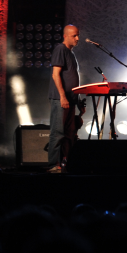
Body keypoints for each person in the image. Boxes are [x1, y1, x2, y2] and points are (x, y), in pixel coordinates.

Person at [48, 24, 86, 172]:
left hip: (70, 100)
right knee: (58, 132)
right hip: (60, 99)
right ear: (65, 36)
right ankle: (53, 164)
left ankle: (66, 163)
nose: (77, 38)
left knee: (70, 133)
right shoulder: (60, 49)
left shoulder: (71, 53)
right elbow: (55, 74)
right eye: (74, 36)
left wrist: (78, 102)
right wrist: (62, 97)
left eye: (78, 35)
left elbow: (73, 80)